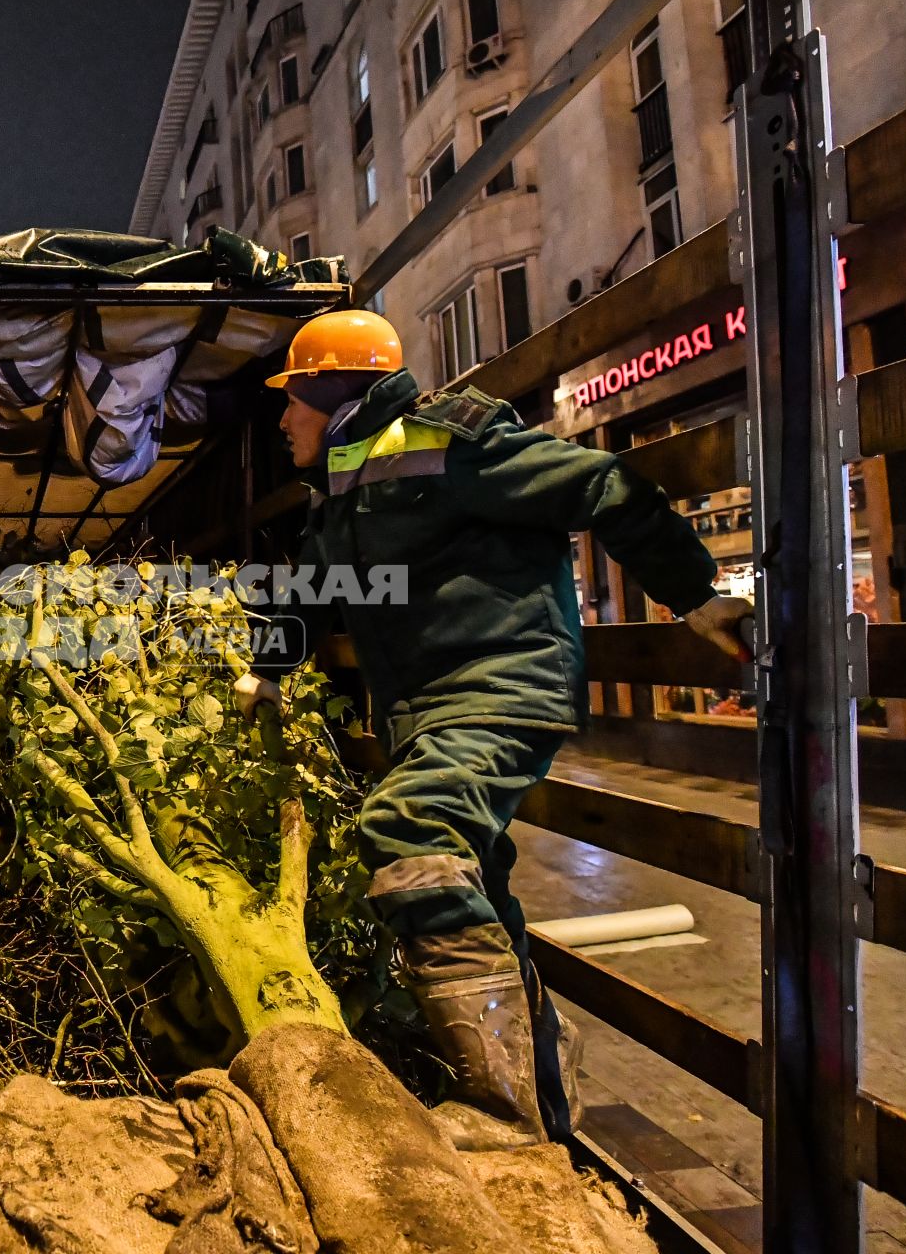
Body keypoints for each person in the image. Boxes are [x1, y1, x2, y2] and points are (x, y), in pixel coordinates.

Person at [235, 309, 751, 1149]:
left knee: (411, 825)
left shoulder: (453, 441)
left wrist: (694, 595)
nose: (285, 419)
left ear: (331, 391)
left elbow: (603, 486)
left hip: (502, 685)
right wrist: (268, 672)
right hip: (427, 709)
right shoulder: (341, 489)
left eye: (293, 399)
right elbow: (311, 592)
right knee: (477, 883)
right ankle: (543, 1090)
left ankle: (502, 1112)